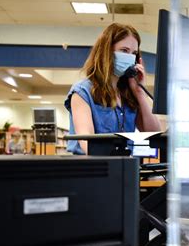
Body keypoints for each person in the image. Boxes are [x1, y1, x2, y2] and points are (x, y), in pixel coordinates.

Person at [65, 23, 161, 155]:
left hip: (122, 168)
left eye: (134, 53)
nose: (129, 58)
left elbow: (153, 134)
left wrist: (139, 93)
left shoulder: (128, 94)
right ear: (107, 51)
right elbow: (87, 142)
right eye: (124, 51)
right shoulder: (83, 92)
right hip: (91, 169)